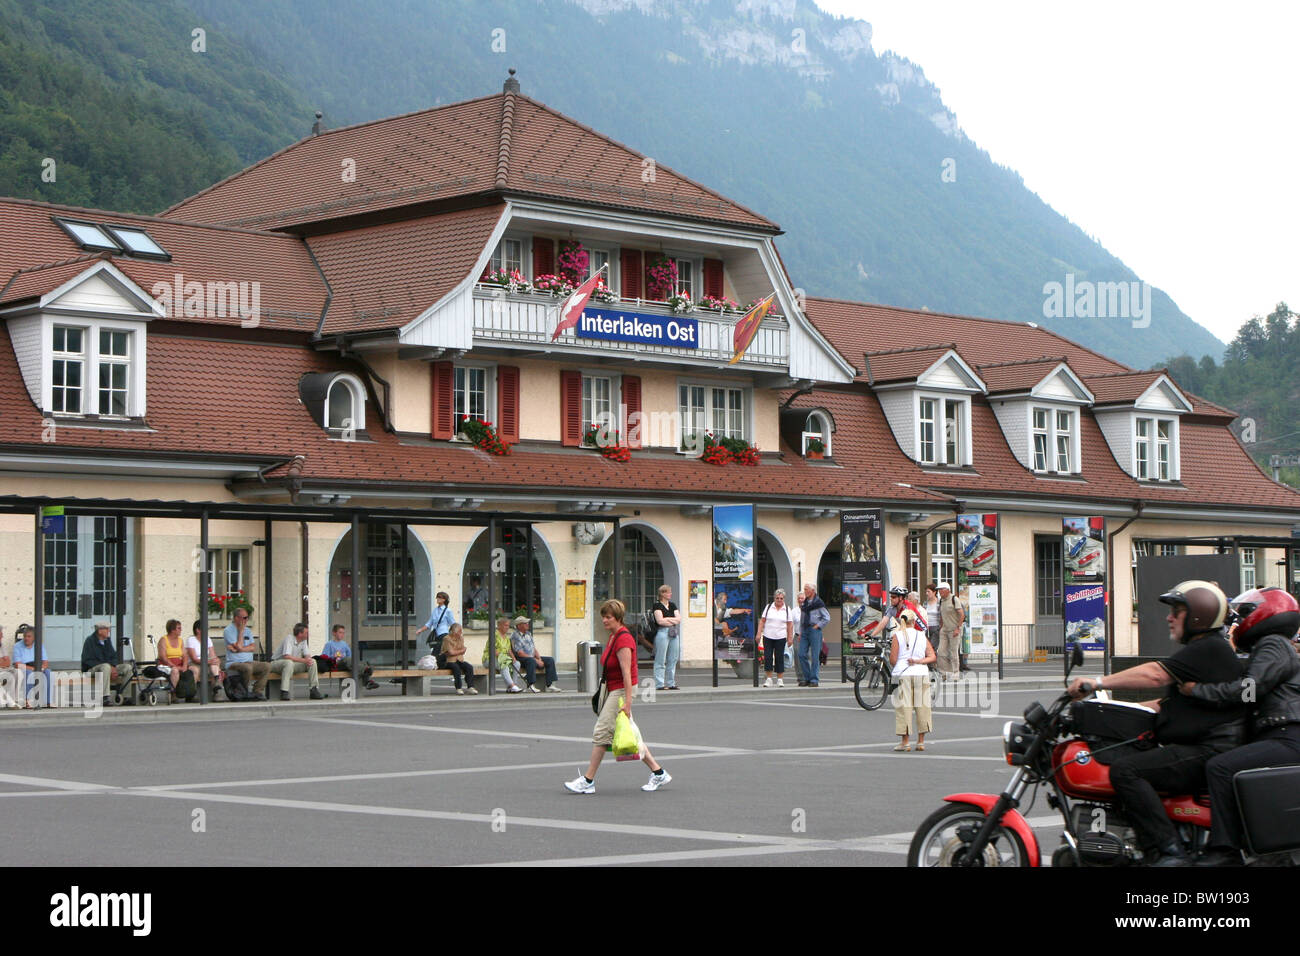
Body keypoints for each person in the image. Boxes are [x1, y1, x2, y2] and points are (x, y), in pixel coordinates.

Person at [1068, 580, 1247, 866]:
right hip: (1204, 746)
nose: (1169, 617)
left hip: (1210, 749)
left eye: (1177, 611)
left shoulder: (1209, 649)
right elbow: (1166, 704)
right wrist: (1112, 708)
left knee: (1126, 771)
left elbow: (1155, 676)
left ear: (1198, 615)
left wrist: (1096, 682)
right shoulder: (1203, 651)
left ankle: (1168, 850)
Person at [1172, 587, 1300, 866]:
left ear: (1266, 613)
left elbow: (1249, 691)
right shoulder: (1266, 648)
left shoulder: (1273, 644)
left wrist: (1197, 691)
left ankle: (1224, 851)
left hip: (1287, 737)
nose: (1237, 621)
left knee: (1220, 766)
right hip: (1280, 736)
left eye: (1243, 614)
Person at [564, 599, 670, 794]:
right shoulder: (613, 636)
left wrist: (627, 703)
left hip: (621, 690)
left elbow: (627, 674)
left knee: (601, 732)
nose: (604, 620)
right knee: (632, 735)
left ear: (618, 618)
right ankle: (658, 772)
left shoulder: (623, 639)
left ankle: (588, 781)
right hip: (614, 689)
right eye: (603, 616)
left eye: (608, 617)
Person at [890, 608, 936, 751]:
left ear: (901, 620)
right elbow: (932, 656)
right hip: (921, 673)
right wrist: (918, 661)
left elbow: (893, 659)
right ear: (914, 621)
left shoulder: (897, 636)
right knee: (922, 707)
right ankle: (921, 742)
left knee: (904, 708)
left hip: (904, 675)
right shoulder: (922, 636)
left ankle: (905, 742)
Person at [81, 621, 135, 707]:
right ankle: (105, 697)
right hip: (91, 669)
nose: (109, 631)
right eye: (106, 629)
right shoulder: (89, 641)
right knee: (106, 667)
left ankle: (126, 697)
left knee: (128, 667)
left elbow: (114, 656)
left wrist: (113, 667)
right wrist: (109, 667)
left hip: (107, 668)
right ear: (99, 631)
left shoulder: (107, 641)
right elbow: (87, 661)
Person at [222, 609, 272, 701]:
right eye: (244, 618)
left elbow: (252, 647)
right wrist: (241, 632)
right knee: (247, 668)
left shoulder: (248, 630)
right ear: (236, 618)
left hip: (249, 661)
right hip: (234, 663)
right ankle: (243, 692)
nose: (246, 620)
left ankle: (257, 691)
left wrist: (240, 649)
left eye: (247, 618)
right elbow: (238, 645)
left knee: (267, 666)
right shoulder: (228, 630)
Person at [317, 624, 378, 690]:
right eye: (340, 632)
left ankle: (367, 680)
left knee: (365, 663)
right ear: (334, 633)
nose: (342, 634)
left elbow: (350, 657)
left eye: (343, 633)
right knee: (346, 659)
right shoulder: (329, 644)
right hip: (336, 664)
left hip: (346, 664)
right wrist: (333, 657)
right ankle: (366, 673)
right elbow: (324, 657)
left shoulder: (344, 644)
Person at [276, 623, 327, 701]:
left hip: (292, 665)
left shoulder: (303, 641)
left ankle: (313, 689)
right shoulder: (289, 639)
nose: (308, 634)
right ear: (300, 634)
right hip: (278, 663)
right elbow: (286, 656)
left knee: (312, 661)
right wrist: (304, 660)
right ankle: (284, 691)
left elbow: (307, 655)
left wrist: (309, 660)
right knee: (288, 662)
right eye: (306, 633)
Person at [509, 616, 560, 693]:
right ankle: (530, 685)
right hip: (521, 658)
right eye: (525, 623)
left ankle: (549, 685)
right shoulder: (515, 635)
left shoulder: (528, 634)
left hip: (531, 657)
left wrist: (539, 658)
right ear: (519, 625)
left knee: (550, 660)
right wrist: (535, 660)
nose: (527, 624)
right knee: (531, 661)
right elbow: (519, 652)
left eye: (527, 623)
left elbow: (533, 648)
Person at [758, 588, 795, 687]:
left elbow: (790, 624)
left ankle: (780, 679)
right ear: (774, 598)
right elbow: (762, 621)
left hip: (781, 637)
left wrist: (790, 637)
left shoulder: (787, 609)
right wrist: (758, 634)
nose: (779, 600)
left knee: (779, 657)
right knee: (768, 657)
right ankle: (769, 678)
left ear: (784, 599)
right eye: (777, 598)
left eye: (781, 598)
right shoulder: (769, 607)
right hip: (768, 636)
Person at [797, 583, 829, 687]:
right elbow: (802, 619)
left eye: (806, 589)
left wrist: (817, 626)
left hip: (814, 630)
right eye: (804, 589)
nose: (805, 591)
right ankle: (807, 678)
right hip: (805, 630)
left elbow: (827, 618)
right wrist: (800, 632)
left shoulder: (819, 603)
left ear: (812, 591)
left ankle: (814, 680)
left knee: (815, 656)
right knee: (801, 654)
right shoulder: (805, 604)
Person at [652, 584, 682, 691]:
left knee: (673, 658)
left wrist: (667, 619)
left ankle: (671, 683)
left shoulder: (672, 605)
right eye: (668, 592)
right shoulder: (657, 605)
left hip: (673, 632)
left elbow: (679, 619)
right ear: (662, 593)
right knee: (661, 658)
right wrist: (672, 619)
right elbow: (660, 621)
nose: (670, 594)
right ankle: (659, 683)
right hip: (662, 632)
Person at [186, 621, 225, 699]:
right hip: (195, 663)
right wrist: (210, 661)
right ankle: (191, 694)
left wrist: (216, 660)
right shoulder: (191, 640)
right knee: (195, 670)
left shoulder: (208, 639)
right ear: (198, 630)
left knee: (215, 665)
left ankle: (216, 690)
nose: (207, 631)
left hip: (207, 662)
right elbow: (194, 659)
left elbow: (212, 655)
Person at [15, 624, 51, 707]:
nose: (26, 638)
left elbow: (45, 662)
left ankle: (48, 701)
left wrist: (41, 668)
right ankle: (27, 701)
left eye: (29, 636)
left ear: (34, 637)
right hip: (24, 667)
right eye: (25, 636)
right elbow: (17, 664)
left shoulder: (39, 646)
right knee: (28, 673)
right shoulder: (17, 646)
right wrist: (33, 669)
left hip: (38, 666)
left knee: (48, 672)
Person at [483, 618, 523, 693]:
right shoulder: (494, 635)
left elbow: (509, 650)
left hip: (504, 659)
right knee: (504, 664)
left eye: (508, 625)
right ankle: (512, 685)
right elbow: (495, 651)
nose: (507, 627)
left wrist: (513, 658)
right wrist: (506, 659)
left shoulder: (506, 638)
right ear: (499, 626)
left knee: (517, 663)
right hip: (490, 659)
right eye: (505, 625)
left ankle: (512, 686)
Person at [935, 583, 965, 680]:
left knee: (953, 652)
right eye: (939, 590)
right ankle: (944, 673)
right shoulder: (941, 600)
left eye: (941, 589)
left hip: (954, 629)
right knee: (941, 651)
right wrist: (941, 626)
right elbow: (942, 614)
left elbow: (961, 614)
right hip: (944, 629)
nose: (939, 592)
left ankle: (955, 672)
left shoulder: (954, 599)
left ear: (947, 590)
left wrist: (957, 628)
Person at [415, 591, 456, 657]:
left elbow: (453, 624)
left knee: (435, 654)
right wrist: (420, 630)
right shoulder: (435, 610)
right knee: (439, 653)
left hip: (444, 635)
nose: (437, 599)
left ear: (444, 600)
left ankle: (433, 664)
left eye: (439, 597)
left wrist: (454, 636)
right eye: (437, 597)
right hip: (436, 635)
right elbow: (429, 623)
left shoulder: (448, 611)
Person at [441, 623, 477, 695]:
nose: (461, 633)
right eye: (459, 631)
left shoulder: (461, 638)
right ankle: (458, 688)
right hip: (448, 661)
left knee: (469, 667)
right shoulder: (447, 639)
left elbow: (463, 651)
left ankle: (470, 687)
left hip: (459, 659)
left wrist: (457, 651)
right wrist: (460, 651)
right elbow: (451, 653)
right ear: (454, 632)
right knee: (456, 668)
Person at [153, 619, 188, 693]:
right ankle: (172, 693)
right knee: (175, 671)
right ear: (172, 630)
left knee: (193, 669)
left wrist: (184, 666)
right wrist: (174, 666)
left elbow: (185, 655)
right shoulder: (163, 640)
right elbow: (163, 657)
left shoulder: (180, 640)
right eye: (179, 628)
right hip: (166, 665)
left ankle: (189, 694)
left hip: (179, 664)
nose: (181, 630)